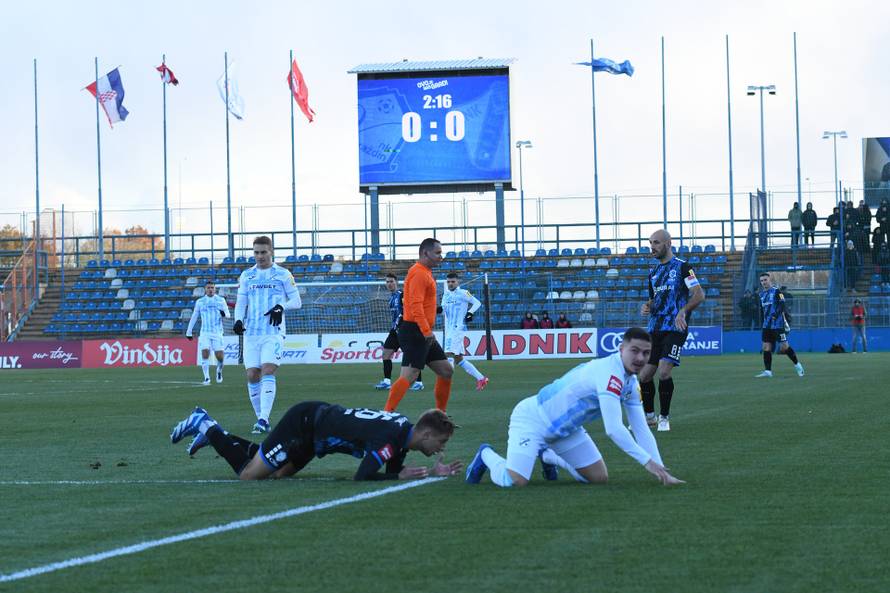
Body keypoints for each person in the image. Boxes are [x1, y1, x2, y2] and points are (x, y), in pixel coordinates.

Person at [464, 327, 683, 488]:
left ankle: (547, 455)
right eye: (634, 351)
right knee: (514, 481)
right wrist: (647, 463)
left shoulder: (630, 382)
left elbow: (641, 428)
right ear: (621, 348)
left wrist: (660, 468)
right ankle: (486, 455)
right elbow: (614, 429)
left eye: (646, 353)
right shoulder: (609, 373)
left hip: (567, 431)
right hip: (532, 420)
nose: (640, 358)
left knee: (598, 478)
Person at [171, 402, 462, 480]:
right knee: (250, 475)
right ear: (425, 434)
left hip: (316, 437)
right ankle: (205, 424)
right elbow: (363, 476)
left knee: (277, 472)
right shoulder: (392, 438)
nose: (441, 448)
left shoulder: (400, 434)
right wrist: (399, 478)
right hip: (305, 423)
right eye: (440, 442)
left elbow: (388, 472)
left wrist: (431, 473)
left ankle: (217, 437)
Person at [233, 236, 302, 435]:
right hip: (251, 333)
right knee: (252, 374)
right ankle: (260, 418)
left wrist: (281, 306)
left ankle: (263, 419)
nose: (259, 256)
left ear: (271, 252)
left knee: (268, 370)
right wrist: (238, 320)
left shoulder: (283, 274)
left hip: (273, 332)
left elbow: (297, 301)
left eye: (263, 252)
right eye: (256, 252)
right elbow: (241, 302)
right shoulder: (247, 275)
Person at [638, 229, 705, 432]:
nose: (652, 247)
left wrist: (683, 311)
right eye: (650, 243)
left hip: (675, 328)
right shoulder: (653, 273)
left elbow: (699, 294)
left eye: (656, 242)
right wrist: (647, 306)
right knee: (644, 376)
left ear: (668, 243)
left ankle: (664, 417)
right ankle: (649, 417)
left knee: (664, 371)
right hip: (655, 328)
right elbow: (653, 299)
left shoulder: (684, 268)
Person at [383, 238, 455, 412]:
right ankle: (386, 414)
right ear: (425, 253)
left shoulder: (425, 272)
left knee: (446, 371)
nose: (441, 256)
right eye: (437, 253)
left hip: (421, 331)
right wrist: (425, 330)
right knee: (410, 375)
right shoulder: (419, 273)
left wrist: (427, 329)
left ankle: (441, 415)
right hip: (414, 331)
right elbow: (414, 305)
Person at [374, 273, 423, 392]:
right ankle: (386, 381)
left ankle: (419, 382)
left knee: (411, 356)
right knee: (386, 354)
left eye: (391, 281)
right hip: (394, 331)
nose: (389, 284)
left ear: (397, 282)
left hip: (405, 330)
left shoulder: (402, 295)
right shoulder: (391, 298)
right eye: (387, 282)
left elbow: (408, 309)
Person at [441, 272, 488, 390]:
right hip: (449, 328)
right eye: (449, 282)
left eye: (453, 282)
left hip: (457, 328)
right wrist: (437, 309)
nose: (450, 284)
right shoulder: (445, 295)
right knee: (458, 358)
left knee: (448, 354)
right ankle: (481, 378)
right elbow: (443, 310)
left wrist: (470, 312)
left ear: (458, 282)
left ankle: (446, 383)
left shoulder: (463, 293)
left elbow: (477, 303)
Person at [756, 272, 804, 378]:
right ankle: (768, 371)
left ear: (770, 280)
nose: (764, 282)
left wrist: (775, 316)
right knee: (766, 347)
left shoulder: (777, 291)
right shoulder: (761, 295)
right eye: (762, 281)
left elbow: (782, 305)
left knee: (784, 347)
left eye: (765, 280)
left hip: (778, 325)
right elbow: (762, 310)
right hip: (766, 326)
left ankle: (797, 365)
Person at [185, 280, 230, 385]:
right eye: (208, 288)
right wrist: (189, 331)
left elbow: (228, 314)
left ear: (215, 289)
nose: (210, 289)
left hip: (217, 332)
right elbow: (194, 316)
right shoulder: (200, 302)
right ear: (205, 289)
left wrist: (224, 313)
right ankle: (207, 378)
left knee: (220, 357)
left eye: (212, 288)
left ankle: (219, 370)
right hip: (205, 332)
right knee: (205, 354)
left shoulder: (221, 300)